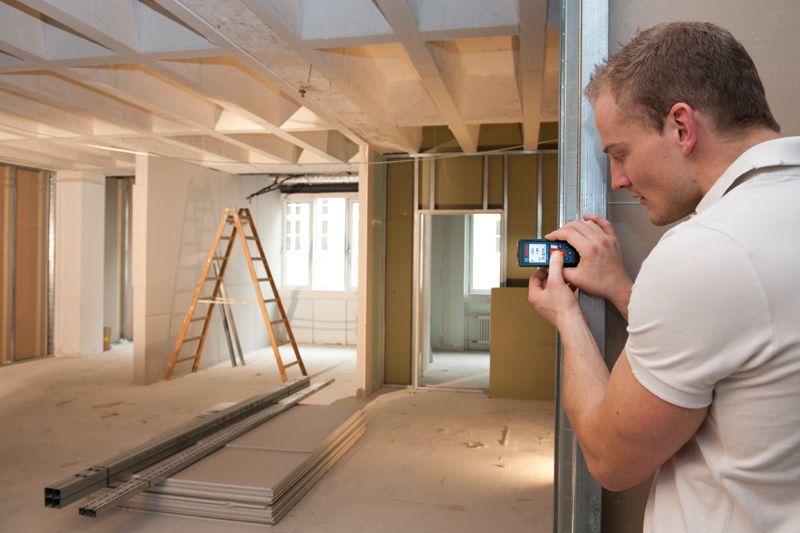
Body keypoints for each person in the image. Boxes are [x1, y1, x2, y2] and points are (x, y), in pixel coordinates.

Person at [527, 21, 800, 532]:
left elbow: (611, 461)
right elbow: (736, 338)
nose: (618, 180)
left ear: (681, 126)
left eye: (619, 153)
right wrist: (624, 290)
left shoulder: (707, 250)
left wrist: (566, 316)